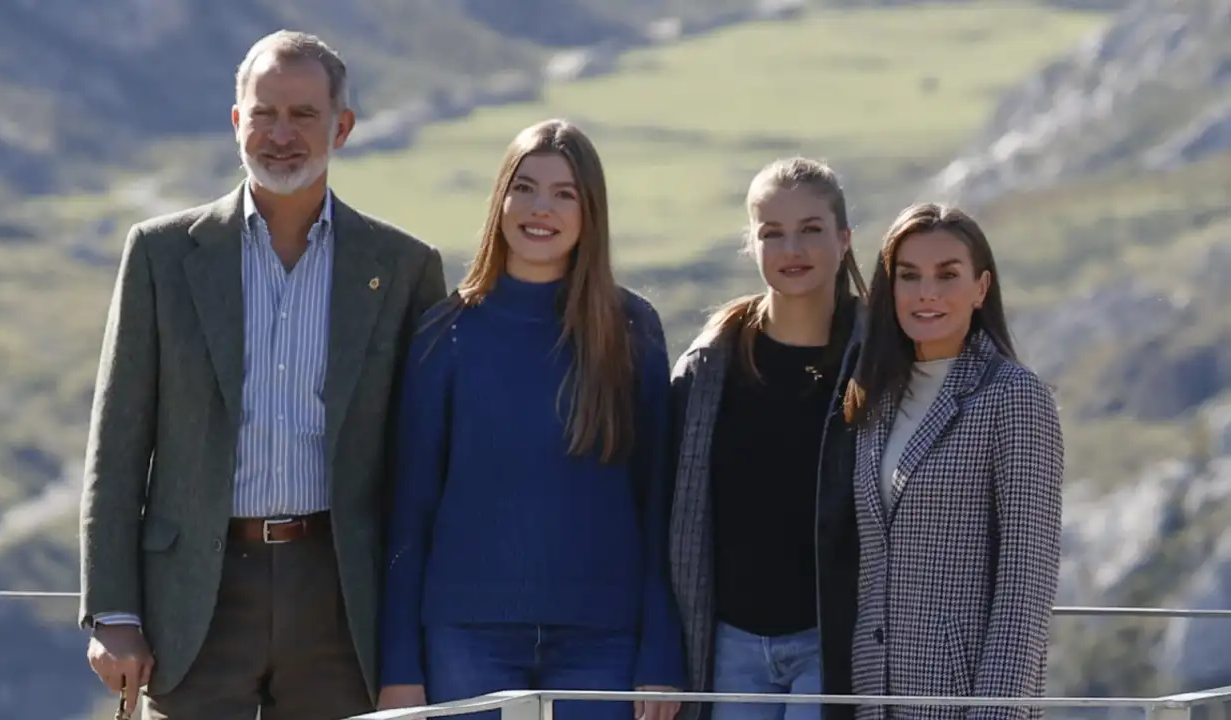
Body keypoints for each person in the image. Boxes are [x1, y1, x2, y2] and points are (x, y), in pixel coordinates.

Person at [79, 30, 448, 720]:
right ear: (235, 121)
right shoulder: (161, 255)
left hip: (340, 599)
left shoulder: (403, 269)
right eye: (264, 113)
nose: (282, 134)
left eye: (304, 115)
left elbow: (421, 462)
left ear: (342, 126)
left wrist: (415, 635)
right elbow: (118, 445)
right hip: (193, 598)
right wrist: (112, 611)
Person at [376, 118, 686, 720]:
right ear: (500, 200)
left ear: (590, 210)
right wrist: (400, 668)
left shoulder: (631, 330)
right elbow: (409, 509)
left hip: (605, 641)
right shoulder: (446, 332)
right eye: (525, 187)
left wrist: (662, 657)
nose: (541, 208)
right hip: (467, 636)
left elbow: (658, 505)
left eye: (564, 193)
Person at [842, 203, 1064, 720]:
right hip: (874, 697)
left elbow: (1026, 584)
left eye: (948, 275)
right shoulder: (874, 398)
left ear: (981, 288)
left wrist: (994, 712)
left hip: (962, 699)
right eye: (909, 276)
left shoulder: (1014, 397)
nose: (927, 293)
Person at [669, 157, 867, 720]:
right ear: (751, 246)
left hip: (830, 643)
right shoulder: (708, 367)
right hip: (729, 644)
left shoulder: (882, 361)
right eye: (772, 234)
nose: (792, 250)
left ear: (844, 239)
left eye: (811, 230)